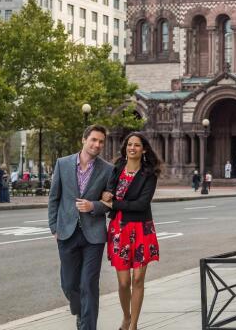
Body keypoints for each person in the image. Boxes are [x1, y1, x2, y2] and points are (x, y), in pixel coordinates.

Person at [48, 124, 114, 330]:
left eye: (101, 141)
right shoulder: (63, 164)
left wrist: (93, 205)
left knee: (89, 285)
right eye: (94, 140)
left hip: (93, 236)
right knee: (68, 285)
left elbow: (111, 203)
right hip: (66, 233)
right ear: (83, 140)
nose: (97, 144)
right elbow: (54, 197)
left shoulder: (108, 170)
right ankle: (79, 310)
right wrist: (54, 227)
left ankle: (87, 326)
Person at [99, 132, 161, 330]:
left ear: (144, 150)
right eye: (129, 144)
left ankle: (133, 325)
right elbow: (107, 193)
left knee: (138, 279)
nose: (132, 148)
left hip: (142, 229)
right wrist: (106, 195)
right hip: (119, 230)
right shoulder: (116, 170)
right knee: (124, 282)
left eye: (136, 145)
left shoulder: (149, 174)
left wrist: (114, 203)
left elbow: (142, 204)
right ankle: (126, 316)